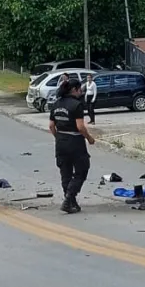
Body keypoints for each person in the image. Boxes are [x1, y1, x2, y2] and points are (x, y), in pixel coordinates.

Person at [49, 78, 95, 214]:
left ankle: (70, 202)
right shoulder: (76, 105)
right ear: (74, 90)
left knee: (65, 173)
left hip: (61, 141)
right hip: (75, 142)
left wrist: (58, 137)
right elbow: (80, 127)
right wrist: (90, 139)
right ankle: (69, 199)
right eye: (80, 89)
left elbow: (51, 126)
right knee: (82, 170)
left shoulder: (56, 104)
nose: (81, 92)